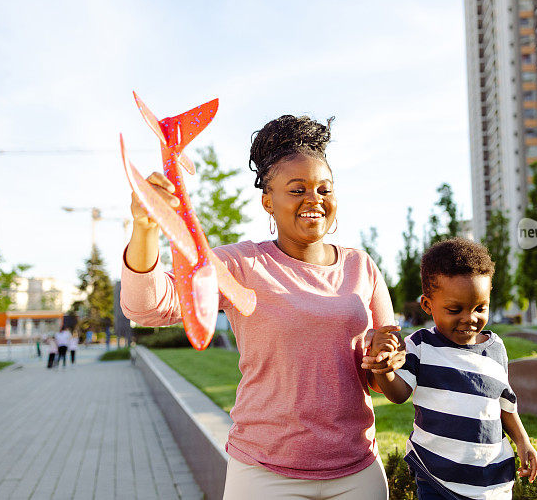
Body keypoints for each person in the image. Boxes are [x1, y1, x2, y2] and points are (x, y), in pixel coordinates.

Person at [121, 114, 403, 499]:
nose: (314, 200)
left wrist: (386, 357)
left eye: (324, 189)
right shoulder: (241, 264)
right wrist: (145, 227)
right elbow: (147, 307)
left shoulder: (361, 266)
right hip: (264, 473)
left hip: (356, 472)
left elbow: (382, 371)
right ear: (268, 202)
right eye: (297, 189)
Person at [368, 238, 537, 499]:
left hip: (491, 482)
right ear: (428, 305)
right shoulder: (421, 345)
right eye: (454, 309)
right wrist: (384, 369)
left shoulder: (496, 348)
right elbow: (399, 394)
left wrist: (523, 442)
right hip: (436, 478)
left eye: (480, 308)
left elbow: (505, 405)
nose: (469, 318)